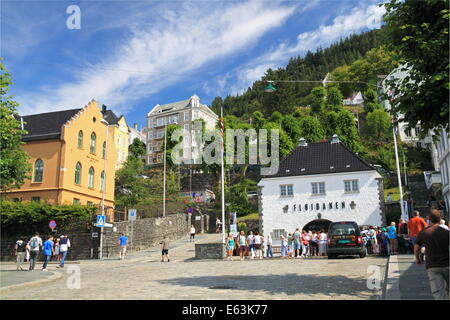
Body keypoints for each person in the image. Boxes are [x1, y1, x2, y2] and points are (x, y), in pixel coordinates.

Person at [415, 209, 449, 300]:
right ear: (440, 219)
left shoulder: (423, 232)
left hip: (432, 265)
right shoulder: (446, 232)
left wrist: (418, 259)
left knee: (438, 293)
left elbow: (417, 248)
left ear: (429, 218)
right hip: (447, 264)